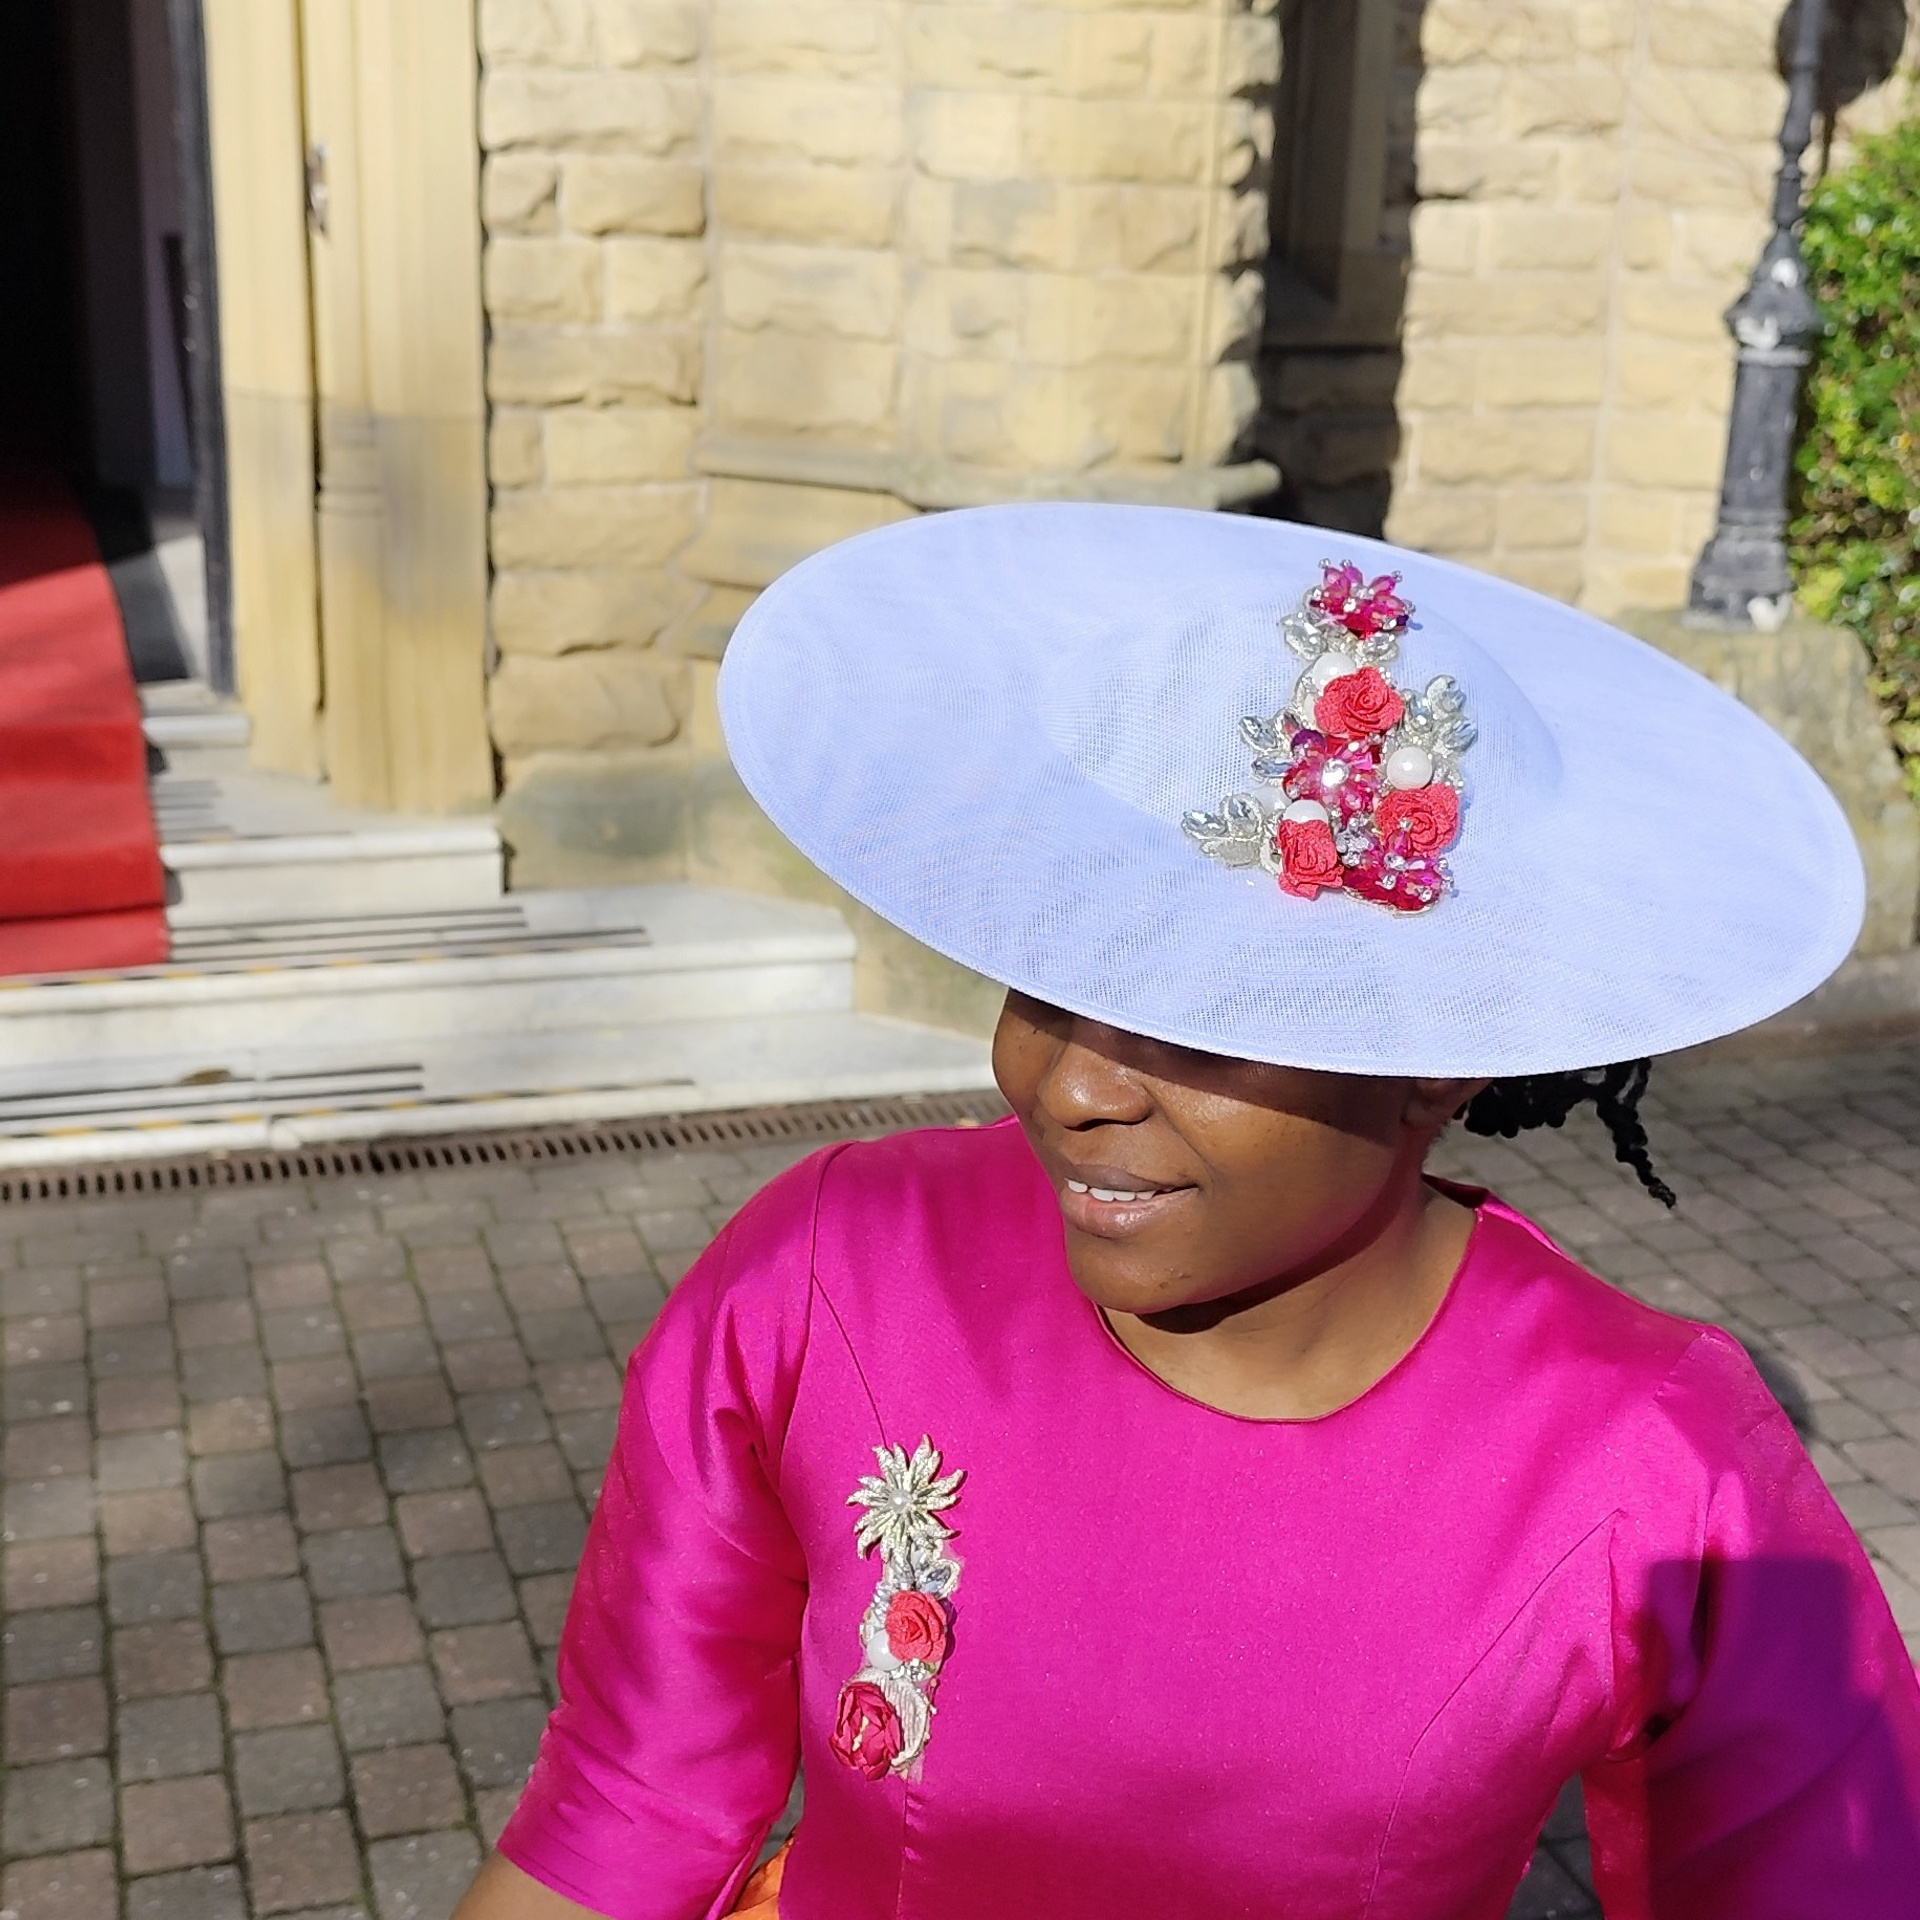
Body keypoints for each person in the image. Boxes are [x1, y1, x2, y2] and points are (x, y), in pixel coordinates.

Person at [453, 507, 1920, 1920]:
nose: (1071, 1084)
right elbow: (626, 1808)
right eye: (1048, 983)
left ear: (1437, 1062)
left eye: (1205, 1024)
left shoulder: (1649, 1465)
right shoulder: (834, 1274)